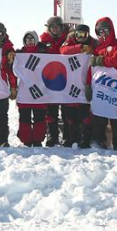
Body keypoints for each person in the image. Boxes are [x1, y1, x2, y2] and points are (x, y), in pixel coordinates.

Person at [89, 17, 117, 150]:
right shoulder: (97, 47)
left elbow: (115, 61)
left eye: (105, 30)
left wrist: (99, 60)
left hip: (115, 88)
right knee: (99, 116)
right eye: (100, 32)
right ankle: (98, 140)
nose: (103, 34)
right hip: (100, 88)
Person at [59, 24, 97, 148]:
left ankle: (85, 138)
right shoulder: (69, 41)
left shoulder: (93, 43)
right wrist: (80, 48)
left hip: (85, 83)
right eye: (79, 34)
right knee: (69, 115)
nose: (81, 37)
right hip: (69, 84)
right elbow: (63, 51)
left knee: (84, 114)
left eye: (84, 35)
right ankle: (70, 138)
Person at [40, 16, 70, 146]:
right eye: (53, 27)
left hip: (65, 80)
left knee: (67, 111)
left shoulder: (68, 40)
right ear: (49, 28)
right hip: (49, 80)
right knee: (50, 111)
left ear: (62, 28)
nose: (55, 29)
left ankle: (68, 136)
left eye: (58, 26)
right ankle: (52, 136)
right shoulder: (42, 41)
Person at [16, 31, 48, 147]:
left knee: (39, 117)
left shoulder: (43, 53)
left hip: (39, 90)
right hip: (25, 91)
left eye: (32, 39)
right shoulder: (19, 54)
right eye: (27, 39)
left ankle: (38, 139)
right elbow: (14, 71)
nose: (30, 41)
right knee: (24, 117)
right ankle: (26, 139)